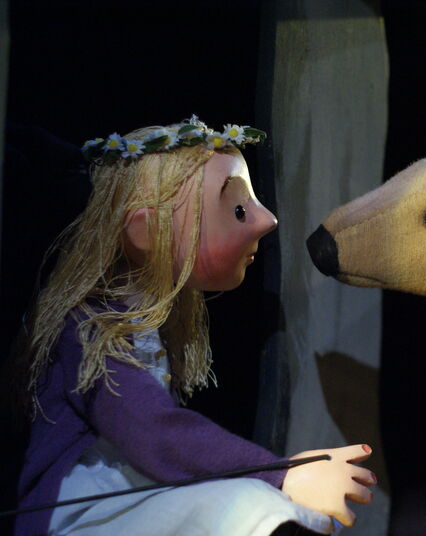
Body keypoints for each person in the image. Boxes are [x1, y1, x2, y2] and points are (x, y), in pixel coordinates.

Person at [12, 116, 376, 535]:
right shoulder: (92, 327)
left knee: (267, 509)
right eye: (239, 209)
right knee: (246, 507)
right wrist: (281, 473)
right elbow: (151, 430)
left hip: (142, 495)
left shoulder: (141, 318)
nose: (267, 220)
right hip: (86, 513)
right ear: (145, 231)